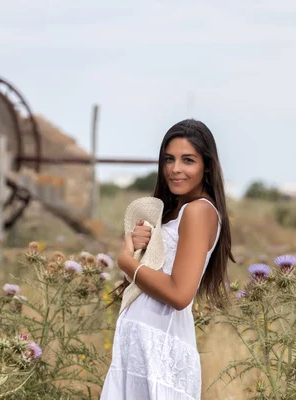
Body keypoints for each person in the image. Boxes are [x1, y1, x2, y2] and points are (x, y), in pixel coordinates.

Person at [100, 119, 234, 399]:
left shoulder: (199, 211)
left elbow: (180, 293)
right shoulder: (179, 210)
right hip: (143, 349)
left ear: (206, 165)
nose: (175, 169)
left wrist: (128, 263)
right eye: (169, 159)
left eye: (188, 160)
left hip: (160, 350)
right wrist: (138, 246)